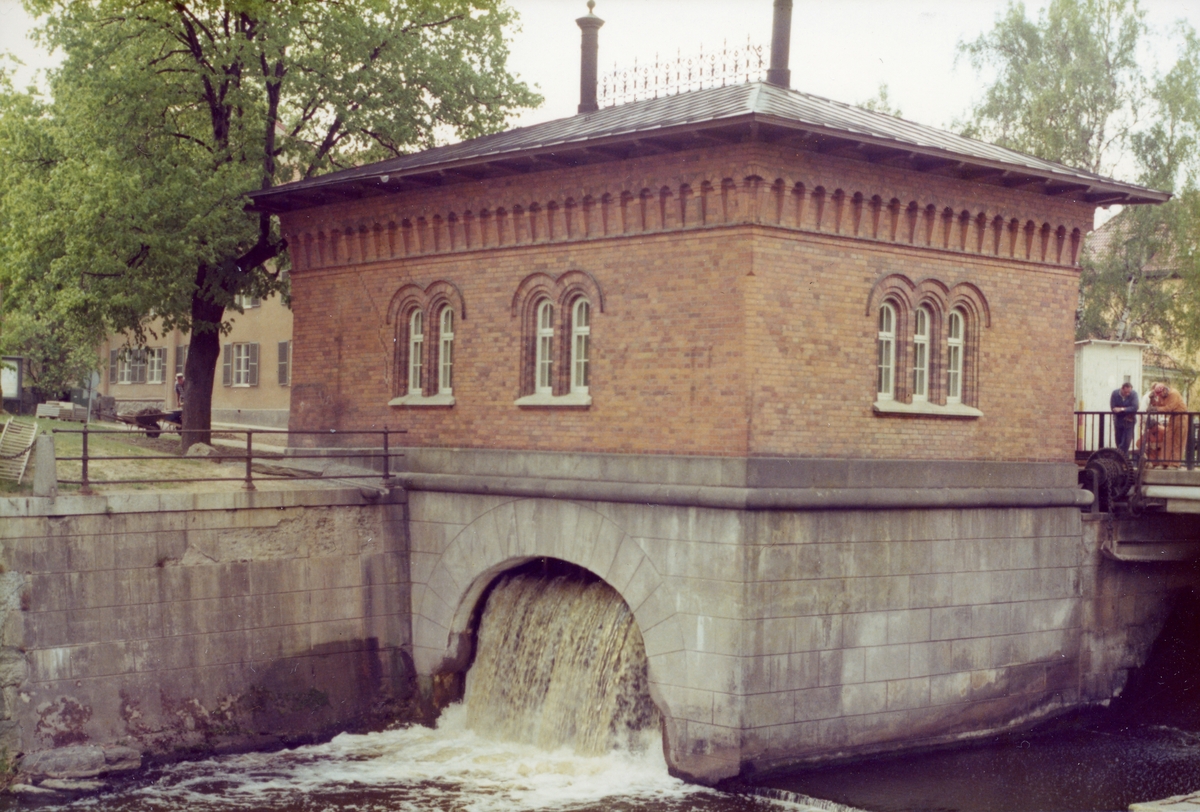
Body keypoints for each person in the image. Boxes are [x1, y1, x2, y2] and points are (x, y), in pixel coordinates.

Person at [1149, 383, 1188, 467]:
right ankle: (1164, 462)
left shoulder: (1174, 393)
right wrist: (1152, 400)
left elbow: (1169, 408)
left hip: (1181, 417)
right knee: (1167, 439)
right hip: (1172, 418)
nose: (1159, 396)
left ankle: (1175, 464)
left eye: (1160, 394)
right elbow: (1159, 405)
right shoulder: (1162, 396)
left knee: (1178, 440)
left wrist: (1155, 409)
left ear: (1164, 390)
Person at [1109, 382, 1138, 453]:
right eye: (1125, 392)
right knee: (1118, 441)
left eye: (1129, 392)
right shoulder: (1115, 393)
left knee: (1127, 441)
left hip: (1129, 420)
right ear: (1121, 389)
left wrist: (1122, 409)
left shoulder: (1134, 394)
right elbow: (1113, 408)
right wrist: (1127, 409)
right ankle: (1122, 457)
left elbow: (1135, 407)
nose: (1127, 394)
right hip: (1118, 420)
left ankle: (1121, 456)